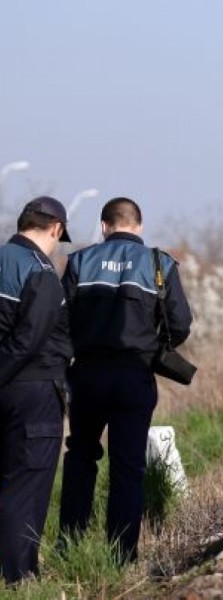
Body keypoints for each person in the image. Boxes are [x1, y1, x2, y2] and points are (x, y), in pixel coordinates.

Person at [58, 197, 192, 562]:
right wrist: (155, 345)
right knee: (129, 465)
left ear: (104, 226)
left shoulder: (80, 261)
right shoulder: (159, 263)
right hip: (135, 375)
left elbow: (61, 322)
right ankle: (122, 554)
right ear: (139, 226)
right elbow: (180, 325)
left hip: (86, 375)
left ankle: (69, 544)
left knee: (81, 455)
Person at [0, 197, 72, 584]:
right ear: (55, 229)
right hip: (32, 391)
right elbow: (29, 339)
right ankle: (19, 578)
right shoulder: (40, 271)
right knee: (26, 486)